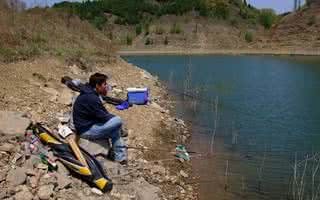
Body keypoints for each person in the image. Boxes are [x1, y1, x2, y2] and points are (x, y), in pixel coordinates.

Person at [73, 73, 127, 164]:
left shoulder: (90, 93)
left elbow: (102, 115)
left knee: (115, 130)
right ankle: (119, 156)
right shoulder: (91, 98)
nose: (106, 86)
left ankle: (120, 159)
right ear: (97, 85)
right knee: (118, 120)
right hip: (85, 130)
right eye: (104, 84)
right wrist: (113, 120)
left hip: (89, 125)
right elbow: (103, 116)